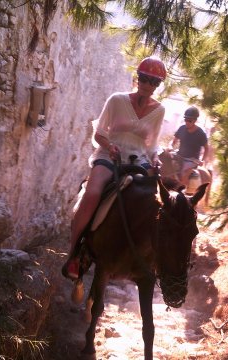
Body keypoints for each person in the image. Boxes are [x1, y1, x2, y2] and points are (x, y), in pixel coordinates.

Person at [62, 56, 167, 280]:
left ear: (158, 86)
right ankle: (74, 253)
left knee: (157, 203)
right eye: (146, 79)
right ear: (137, 79)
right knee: (92, 194)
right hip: (110, 155)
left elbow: (153, 144)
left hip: (139, 159)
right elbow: (99, 133)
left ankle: (151, 258)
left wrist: (156, 158)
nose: (149, 86)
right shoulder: (117, 100)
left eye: (155, 83)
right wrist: (109, 146)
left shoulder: (159, 110)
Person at [170, 106, 209, 186]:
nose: (187, 122)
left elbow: (206, 148)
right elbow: (174, 141)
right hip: (179, 156)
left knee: (184, 173)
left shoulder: (201, 133)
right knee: (167, 167)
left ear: (195, 120)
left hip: (192, 160)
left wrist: (203, 160)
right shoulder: (181, 128)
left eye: (189, 120)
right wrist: (170, 147)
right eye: (186, 120)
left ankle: (182, 190)